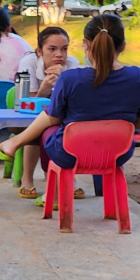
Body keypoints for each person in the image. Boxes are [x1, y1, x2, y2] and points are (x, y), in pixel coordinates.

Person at [0, 14, 140, 193]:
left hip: (70, 153)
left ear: (86, 45)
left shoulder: (70, 78)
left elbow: (53, 117)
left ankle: (50, 184)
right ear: (123, 45)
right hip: (119, 154)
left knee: (50, 127)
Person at [11, 25, 83, 198]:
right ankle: (27, 178)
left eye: (64, 49)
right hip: (28, 116)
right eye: (52, 49)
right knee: (38, 128)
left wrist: (62, 83)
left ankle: (65, 178)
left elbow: (77, 102)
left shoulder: (72, 64)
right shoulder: (28, 63)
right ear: (39, 51)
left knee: (68, 128)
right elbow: (27, 102)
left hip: (61, 117)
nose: (59, 54)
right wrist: (44, 89)